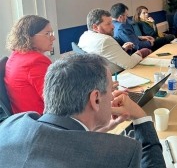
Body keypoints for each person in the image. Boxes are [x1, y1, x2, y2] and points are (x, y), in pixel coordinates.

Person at [0, 54, 166, 167]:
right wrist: (141, 118)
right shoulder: (122, 153)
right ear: (95, 99)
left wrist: (93, 132)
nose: (111, 97)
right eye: (110, 90)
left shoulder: (11, 124)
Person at [4, 15, 55, 115]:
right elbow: (55, 100)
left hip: (24, 118)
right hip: (40, 120)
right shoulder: (36, 61)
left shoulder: (16, 55)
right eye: (47, 34)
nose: (53, 38)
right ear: (29, 37)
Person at [78, 9, 151, 74]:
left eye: (111, 23)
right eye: (108, 24)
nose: (113, 26)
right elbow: (130, 64)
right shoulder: (105, 40)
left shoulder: (84, 36)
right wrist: (140, 53)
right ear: (95, 27)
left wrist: (122, 49)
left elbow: (104, 53)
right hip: (119, 75)